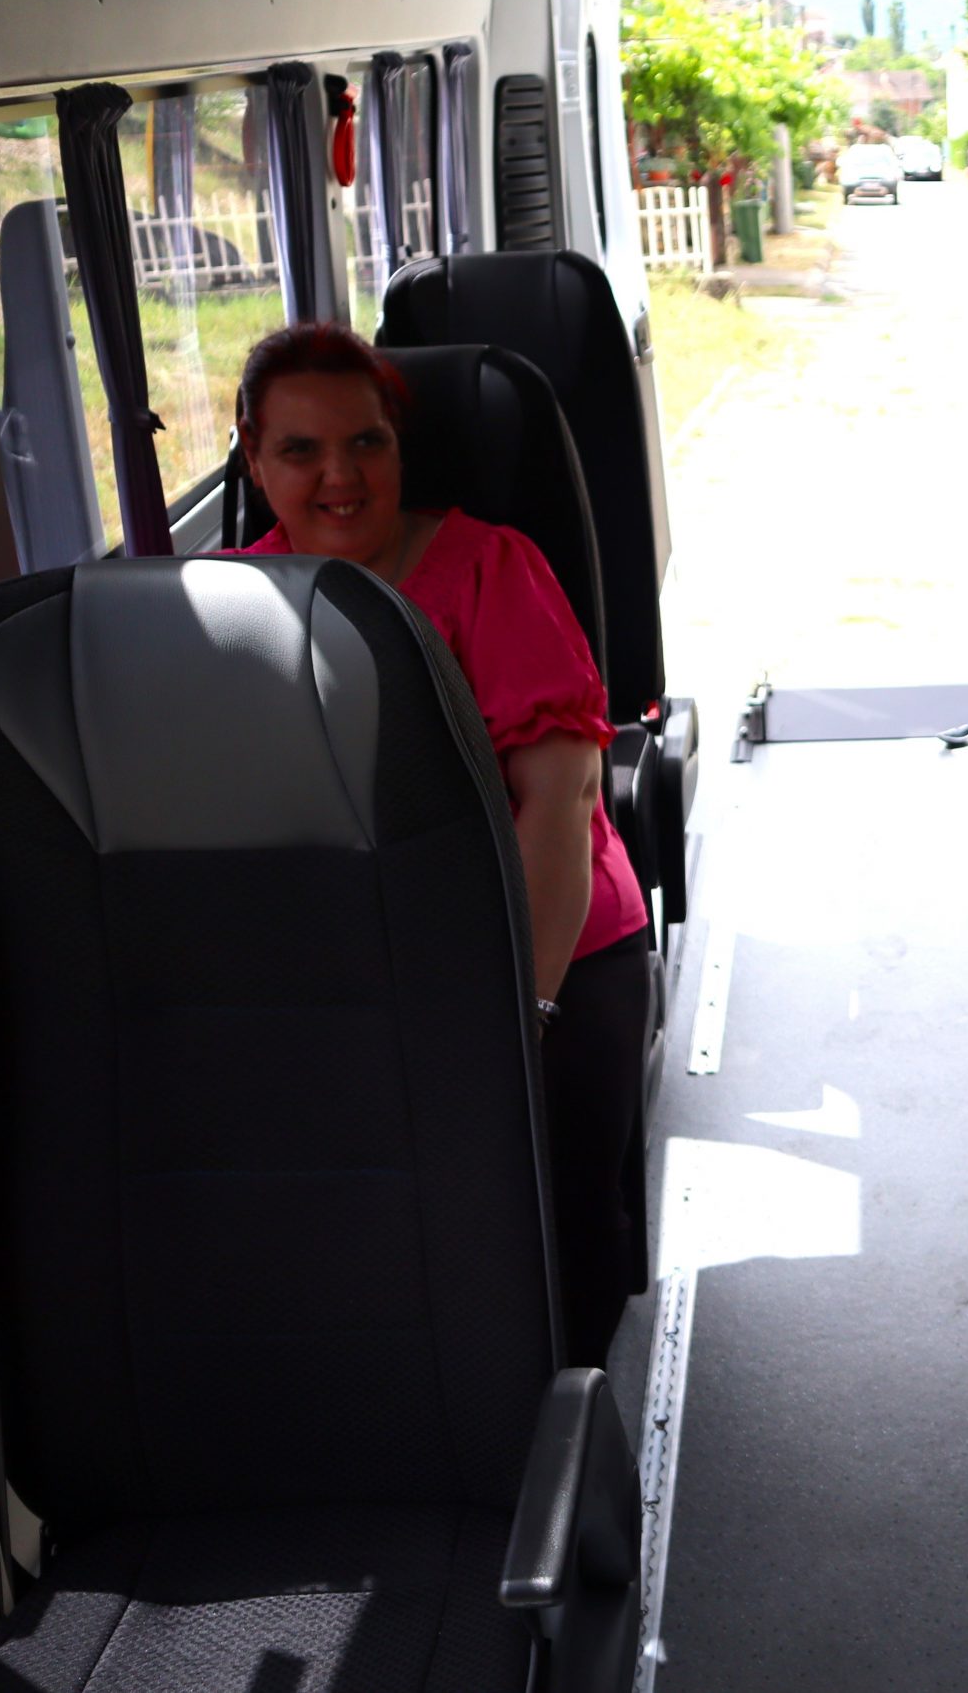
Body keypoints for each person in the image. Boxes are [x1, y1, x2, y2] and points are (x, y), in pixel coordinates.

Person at [230, 323, 650, 1363]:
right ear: (254, 460)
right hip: (356, 961)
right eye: (301, 451)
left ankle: (575, 1418)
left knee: (550, 1218)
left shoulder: (490, 571)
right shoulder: (225, 602)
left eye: (366, 443)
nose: (340, 477)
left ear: (399, 448)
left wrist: (523, 1012)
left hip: (545, 944)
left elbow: (558, 803)